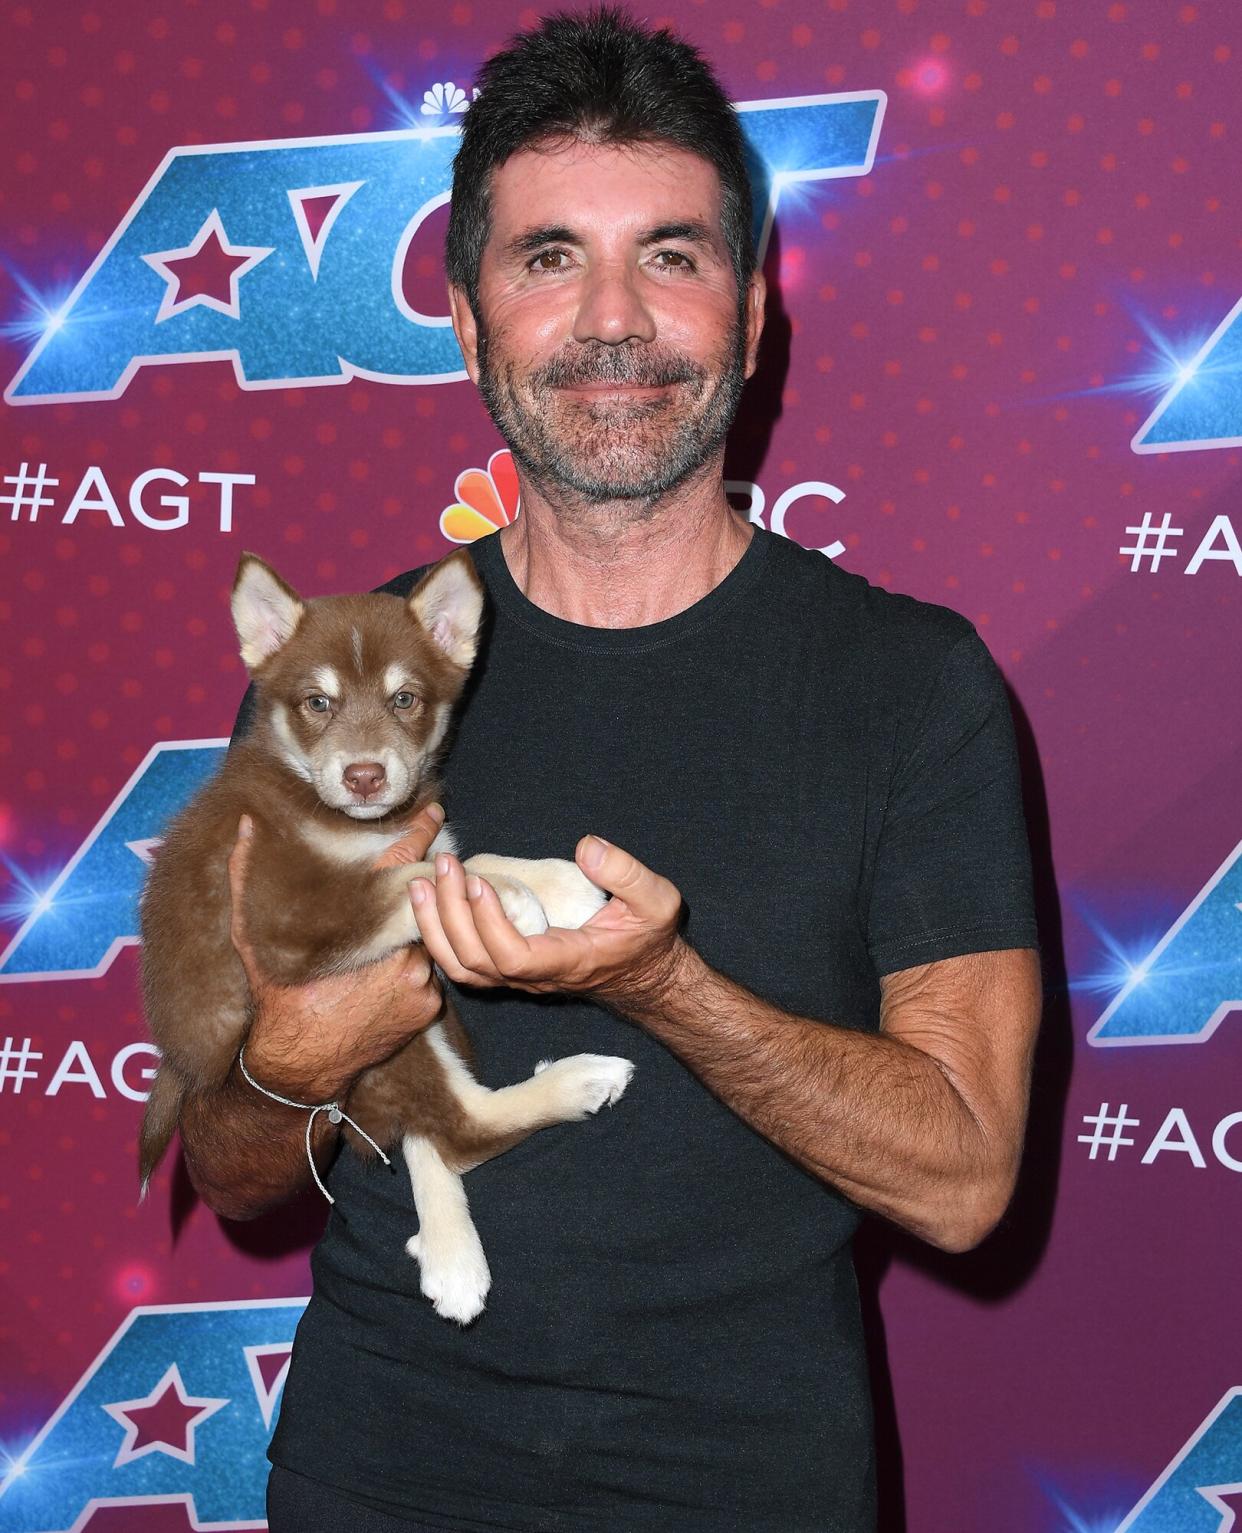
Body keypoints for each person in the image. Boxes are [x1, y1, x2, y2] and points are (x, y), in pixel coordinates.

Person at [181, 9, 1043, 1530]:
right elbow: (230, 1161)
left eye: (669, 253)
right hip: (380, 1474)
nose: (612, 321)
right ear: (462, 319)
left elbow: (965, 1178)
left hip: (747, 1485)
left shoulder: (913, 687)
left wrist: (666, 989)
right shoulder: (341, 691)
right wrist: (289, 1065)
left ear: (753, 312)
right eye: (545, 258)